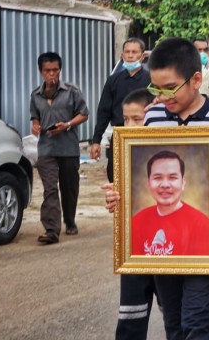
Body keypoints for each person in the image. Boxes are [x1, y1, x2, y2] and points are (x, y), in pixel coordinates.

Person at [125, 37, 209, 340]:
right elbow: (138, 168)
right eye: (156, 88)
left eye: (170, 87)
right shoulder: (153, 117)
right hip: (165, 250)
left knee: (198, 321)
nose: (162, 96)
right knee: (174, 321)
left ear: (196, 79)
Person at [102, 88, 159, 340]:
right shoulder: (120, 147)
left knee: (175, 315)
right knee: (131, 312)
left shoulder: (172, 144)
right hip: (134, 242)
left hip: (171, 244)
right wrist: (114, 198)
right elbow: (117, 187)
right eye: (125, 119)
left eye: (137, 119)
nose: (130, 125)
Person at [30, 52, 89, 244]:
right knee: (49, 189)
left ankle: (70, 221)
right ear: (41, 72)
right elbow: (34, 116)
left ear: (60, 70)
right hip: (46, 149)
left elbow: (84, 114)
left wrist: (68, 125)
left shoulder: (71, 91)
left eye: (55, 70)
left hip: (68, 148)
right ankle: (51, 230)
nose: (52, 74)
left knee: (69, 188)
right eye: (47, 71)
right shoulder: (35, 95)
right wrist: (35, 124)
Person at [90, 38, 150, 182]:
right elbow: (103, 111)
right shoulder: (113, 81)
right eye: (127, 52)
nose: (130, 55)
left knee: (143, 176)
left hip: (145, 135)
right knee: (116, 177)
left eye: (134, 52)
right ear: (122, 55)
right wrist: (96, 140)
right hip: (119, 135)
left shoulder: (151, 80)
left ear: (142, 56)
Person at [132, 150, 209, 255]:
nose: (165, 184)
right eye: (157, 178)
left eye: (172, 178)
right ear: (148, 184)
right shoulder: (137, 222)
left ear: (183, 183)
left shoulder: (202, 225)